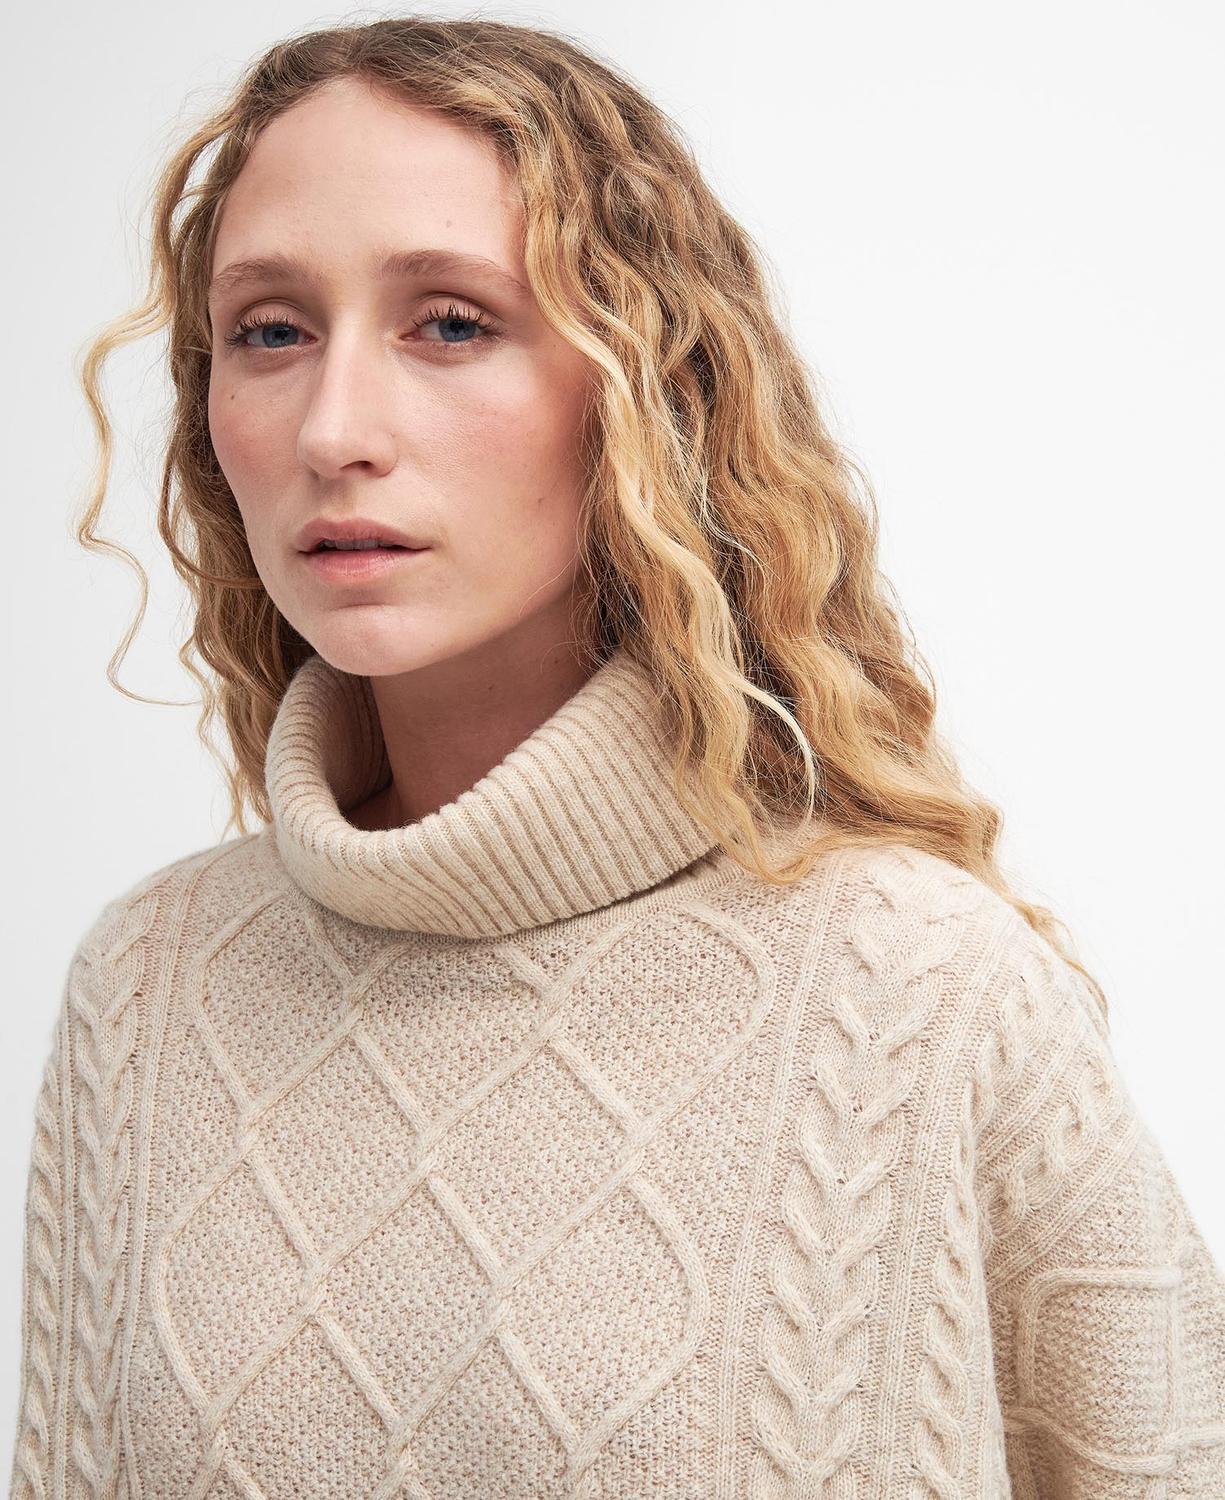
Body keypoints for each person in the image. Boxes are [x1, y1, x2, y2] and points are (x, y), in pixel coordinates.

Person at [9, 17, 1224, 1499]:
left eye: (449, 322)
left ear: (648, 388)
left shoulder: (918, 994)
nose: (334, 429)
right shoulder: (149, 989)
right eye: (270, 331)